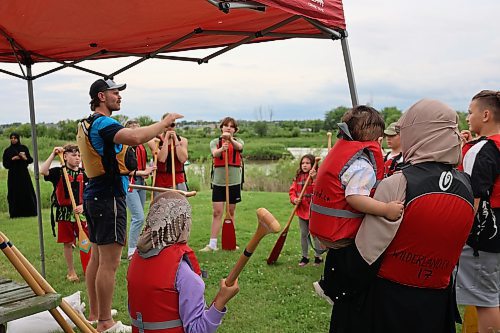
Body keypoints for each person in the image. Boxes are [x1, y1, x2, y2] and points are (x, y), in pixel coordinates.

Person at [338, 99, 475, 333]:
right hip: (436, 301)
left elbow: (366, 252)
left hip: (388, 301)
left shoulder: (398, 183)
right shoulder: (466, 185)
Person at [77, 78, 182, 333]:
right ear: (102, 96)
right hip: (108, 197)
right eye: (115, 93)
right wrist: (163, 123)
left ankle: (95, 312)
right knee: (109, 263)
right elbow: (134, 137)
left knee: (98, 257)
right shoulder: (103, 123)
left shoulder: (86, 122)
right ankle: (105, 323)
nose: (119, 97)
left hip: (95, 194)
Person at [308, 105, 403, 304]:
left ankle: (328, 284)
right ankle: (336, 289)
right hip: (343, 231)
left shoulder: (342, 155)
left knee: (339, 258)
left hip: (325, 227)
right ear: (377, 141)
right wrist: (385, 209)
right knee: (361, 260)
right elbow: (355, 197)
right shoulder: (362, 166)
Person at [127, 191, 240, 333]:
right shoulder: (184, 274)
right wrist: (222, 300)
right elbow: (197, 330)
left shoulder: (135, 259)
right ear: (184, 224)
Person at [456, 90, 500, 333]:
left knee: (485, 300)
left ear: (485, 114)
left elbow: (471, 199)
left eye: (470, 112)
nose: (468, 117)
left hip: (485, 237)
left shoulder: (480, 150)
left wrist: (458, 231)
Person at [40, 144, 89, 282]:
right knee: (67, 243)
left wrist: (83, 206)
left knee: (87, 241)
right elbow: (43, 171)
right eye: (74, 155)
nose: (77, 158)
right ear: (65, 157)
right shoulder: (58, 172)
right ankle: (71, 271)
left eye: (79, 155)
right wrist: (53, 154)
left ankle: (88, 268)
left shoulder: (84, 173)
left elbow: (91, 194)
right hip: (64, 214)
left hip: (81, 213)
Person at [200, 117, 244, 252]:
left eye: (231, 126)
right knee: (217, 212)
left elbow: (240, 148)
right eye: (226, 126)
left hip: (234, 182)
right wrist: (222, 149)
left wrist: (230, 140)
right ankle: (212, 244)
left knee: (230, 212)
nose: (228, 128)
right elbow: (214, 153)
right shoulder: (215, 142)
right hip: (219, 182)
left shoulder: (238, 141)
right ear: (222, 128)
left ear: (235, 130)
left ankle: (230, 242)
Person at [124, 119, 155, 260]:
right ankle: (131, 251)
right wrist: (142, 172)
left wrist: (148, 171)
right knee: (138, 217)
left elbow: (142, 166)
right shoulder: (123, 148)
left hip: (140, 182)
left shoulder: (141, 147)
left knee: (140, 217)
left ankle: (138, 245)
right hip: (129, 184)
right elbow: (123, 170)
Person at [288, 154, 323, 266]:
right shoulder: (298, 176)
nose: (305, 165)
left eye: (307, 163)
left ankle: (318, 257)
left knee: (315, 235)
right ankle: (305, 257)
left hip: (313, 211)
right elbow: (292, 191)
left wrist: (314, 179)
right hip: (302, 210)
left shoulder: (317, 176)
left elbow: (318, 191)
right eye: (303, 163)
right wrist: (294, 200)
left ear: (313, 164)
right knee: (304, 234)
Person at [148, 113, 189, 194]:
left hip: (178, 180)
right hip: (160, 180)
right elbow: (162, 159)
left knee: (179, 205)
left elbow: (183, 159)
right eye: (167, 125)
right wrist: (166, 140)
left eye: (172, 125)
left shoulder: (183, 140)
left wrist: (176, 141)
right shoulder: (154, 141)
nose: (170, 127)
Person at [2, 132, 37, 218]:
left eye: (15, 138)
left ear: (18, 139)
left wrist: (24, 158)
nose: (13, 140)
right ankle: (15, 213)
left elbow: (30, 160)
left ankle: (30, 212)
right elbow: (5, 165)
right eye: (12, 138)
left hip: (24, 174)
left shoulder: (23, 148)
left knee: (27, 192)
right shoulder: (7, 151)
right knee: (14, 193)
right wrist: (12, 159)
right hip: (13, 175)